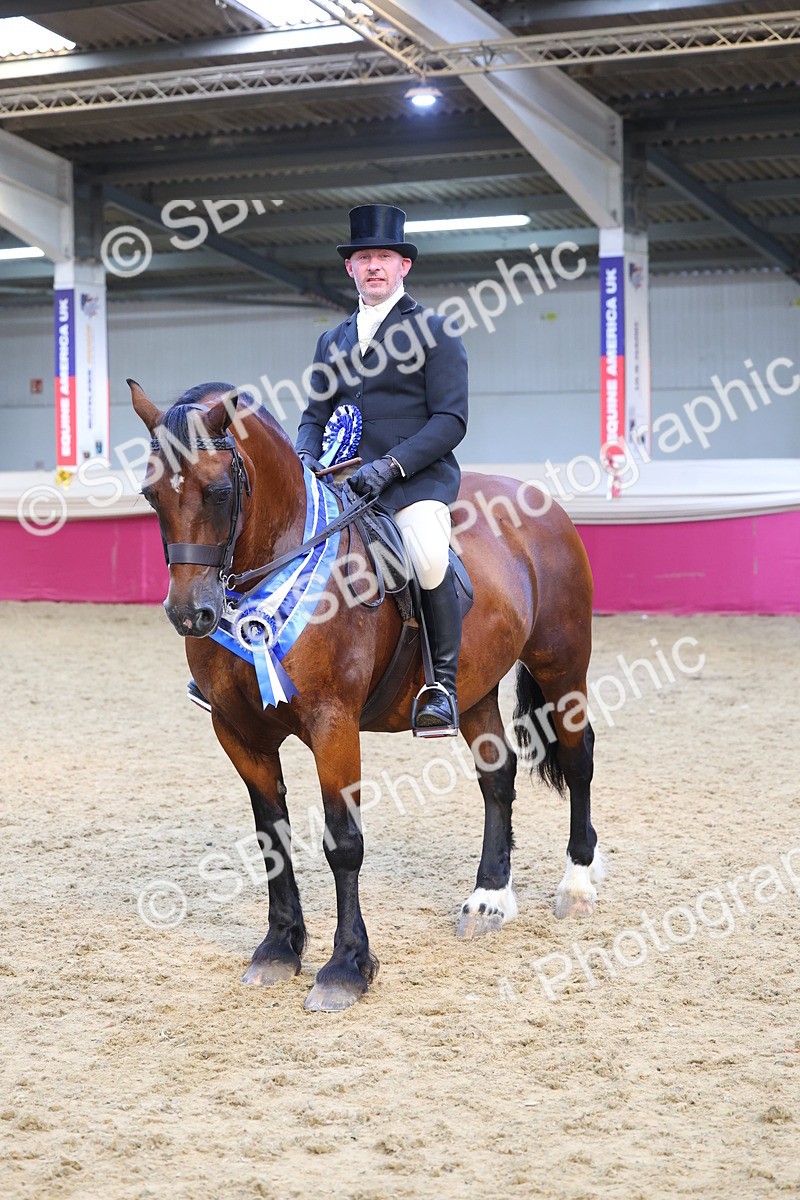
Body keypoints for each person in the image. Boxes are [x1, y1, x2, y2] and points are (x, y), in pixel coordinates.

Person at [296, 204, 469, 735]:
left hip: (413, 483)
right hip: (341, 484)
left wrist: (392, 465)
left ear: (403, 266)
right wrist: (305, 457)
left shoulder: (435, 330)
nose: (374, 266)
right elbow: (314, 416)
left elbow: (451, 420)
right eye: (365, 257)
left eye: (385, 258)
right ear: (350, 268)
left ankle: (441, 687)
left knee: (428, 555)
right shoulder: (332, 340)